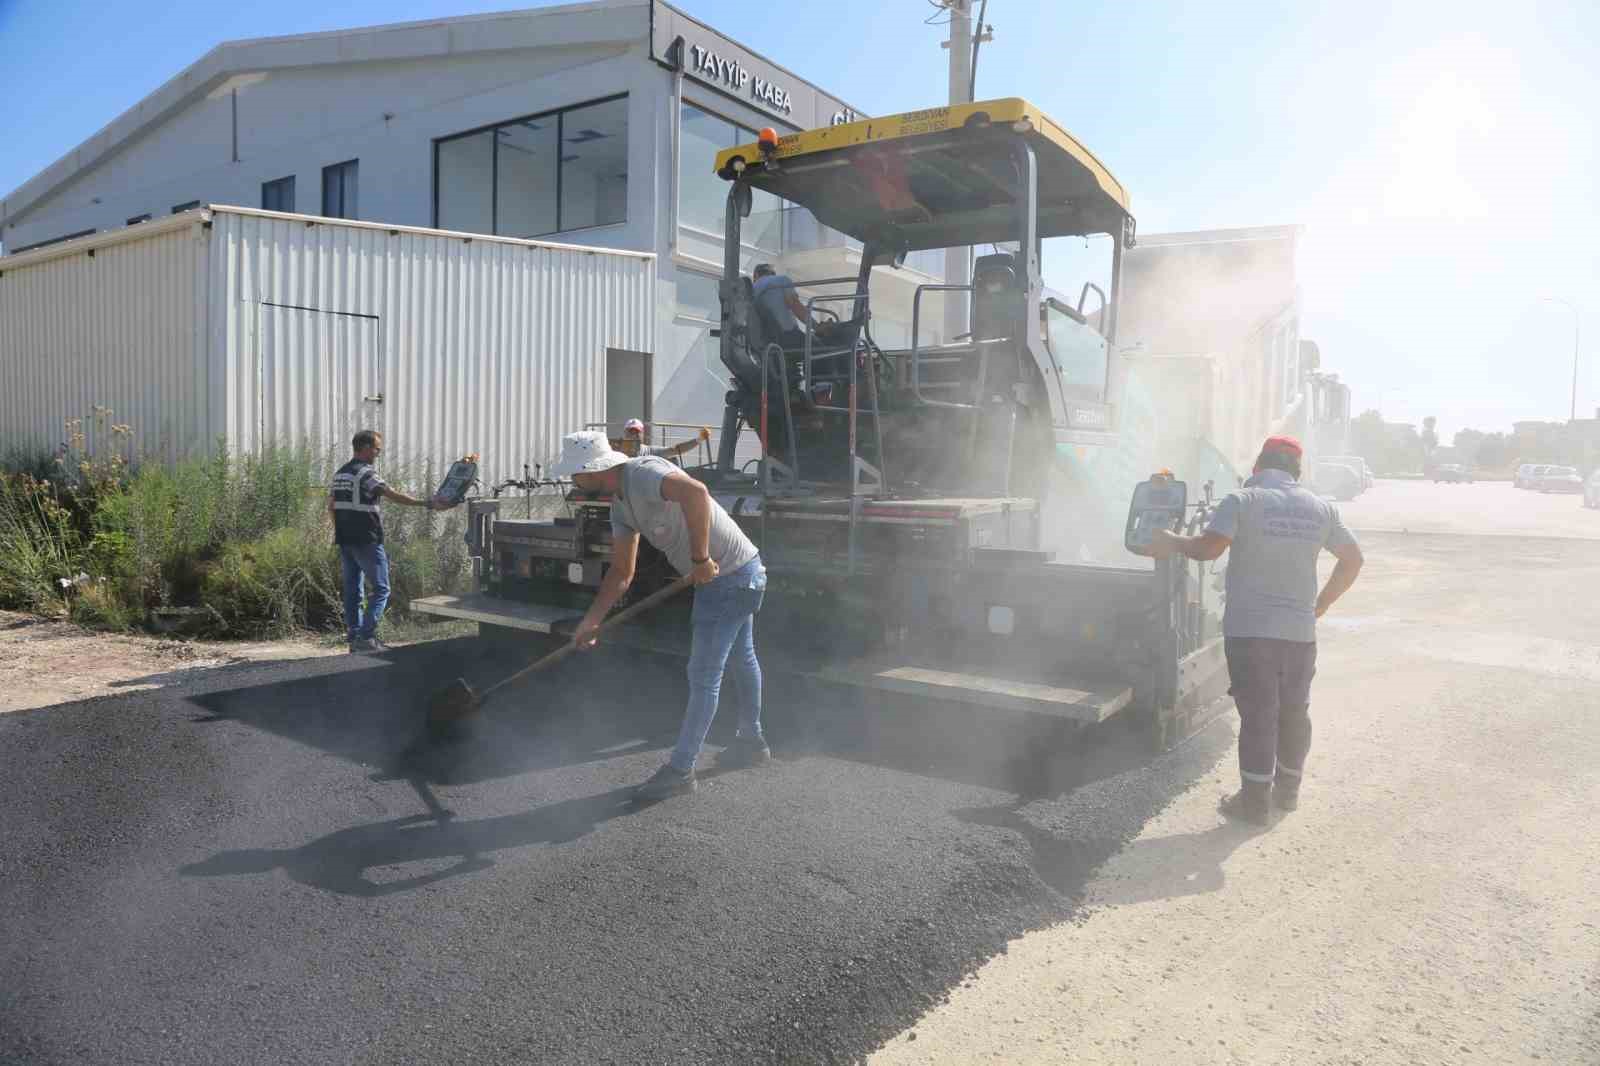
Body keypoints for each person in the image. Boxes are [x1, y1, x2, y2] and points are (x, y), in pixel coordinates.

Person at [1152, 435, 1364, 825]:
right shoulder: (1321, 508)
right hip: (1300, 633)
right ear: (1297, 471)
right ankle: (1287, 793)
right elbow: (1353, 560)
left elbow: (1208, 549)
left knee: (1258, 716)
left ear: (1257, 467)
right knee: (1294, 712)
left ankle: (1252, 804)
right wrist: (1322, 604)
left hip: (1251, 633)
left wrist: (1172, 541)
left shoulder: (1243, 500)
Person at [550, 430, 769, 801]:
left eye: (575, 474)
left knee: (703, 675)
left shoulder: (643, 472)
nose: (572, 480)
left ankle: (681, 770)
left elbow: (696, 493)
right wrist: (593, 620)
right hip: (737, 575)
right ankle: (753, 741)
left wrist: (700, 559)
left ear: (590, 470)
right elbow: (622, 571)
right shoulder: (621, 507)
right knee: (741, 657)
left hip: (732, 576)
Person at [328, 429, 454, 653]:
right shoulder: (365, 473)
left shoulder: (340, 474)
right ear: (366, 448)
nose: (379, 453)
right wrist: (427, 504)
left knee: (353, 590)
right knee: (382, 589)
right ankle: (366, 638)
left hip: (345, 540)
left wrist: (339, 532)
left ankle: (355, 637)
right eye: (377, 449)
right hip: (367, 539)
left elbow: (331, 506)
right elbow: (391, 494)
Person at [751, 263, 814, 350]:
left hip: (766, 343)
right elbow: (795, 306)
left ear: (756, 275)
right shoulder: (781, 280)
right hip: (788, 336)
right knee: (826, 350)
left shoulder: (751, 291)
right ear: (773, 274)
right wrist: (816, 326)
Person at [619, 418, 711, 461]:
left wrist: (699, 439)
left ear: (642, 434)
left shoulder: (650, 451)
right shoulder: (615, 450)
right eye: (631, 432)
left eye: (637, 432)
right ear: (625, 433)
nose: (634, 435)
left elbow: (674, 450)